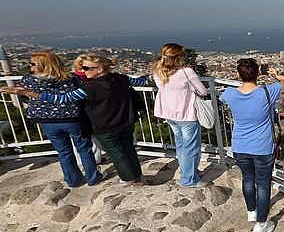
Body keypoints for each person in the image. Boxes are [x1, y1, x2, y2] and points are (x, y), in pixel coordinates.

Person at [6, 54, 149, 186]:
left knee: (117, 153)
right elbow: (141, 81)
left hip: (104, 126)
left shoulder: (88, 88)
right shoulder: (121, 78)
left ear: (99, 69)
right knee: (128, 149)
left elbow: (60, 99)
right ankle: (135, 175)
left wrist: (27, 93)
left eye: (86, 68)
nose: (82, 70)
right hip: (126, 122)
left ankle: (128, 179)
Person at [220, 58, 284, 232]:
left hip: (240, 145)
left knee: (248, 179)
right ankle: (261, 224)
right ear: (258, 73)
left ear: (238, 74)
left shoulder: (229, 94)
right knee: (263, 184)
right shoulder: (267, 92)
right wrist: (274, 74)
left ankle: (252, 212)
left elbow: (222, 98)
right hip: (262, 146)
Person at [1, 51, 102, 187]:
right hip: (73, 119)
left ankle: (73, 180)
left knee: (63, 152)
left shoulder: (29, 81)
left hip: (48, 121)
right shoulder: (70, 78)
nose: (30, 66)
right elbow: (83, 92)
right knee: (84, 148)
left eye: (32, 64)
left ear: (42, 65)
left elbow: (25, 95)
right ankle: (93, 178)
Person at [152, 43, 209, 188]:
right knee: (191, 147)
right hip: (186, 114)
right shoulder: (186, 72)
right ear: (178, 57)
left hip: (170, 115)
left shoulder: (157, 71)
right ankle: (189, 179)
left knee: (182, 146)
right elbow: (203, 91)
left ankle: (189, 173)